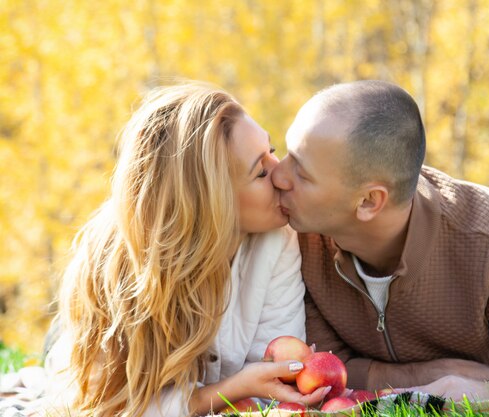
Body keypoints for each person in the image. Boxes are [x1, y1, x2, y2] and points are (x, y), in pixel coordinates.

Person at [271, 80, 489, 401]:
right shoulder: (296, 239)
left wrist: (488, 392)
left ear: (368, 201)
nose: (278, 174)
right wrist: (432, 374)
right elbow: (330, 368)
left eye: (301, 172)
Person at [43, 82, 328, 417]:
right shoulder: (116, 269)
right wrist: (229, 391)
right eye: (260, 172)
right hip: (69, 349)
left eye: (272, 149)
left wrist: (239, 392)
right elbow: (102, 406)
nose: (281, 173)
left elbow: (273, 382)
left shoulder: (278, 240)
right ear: (210, 202)